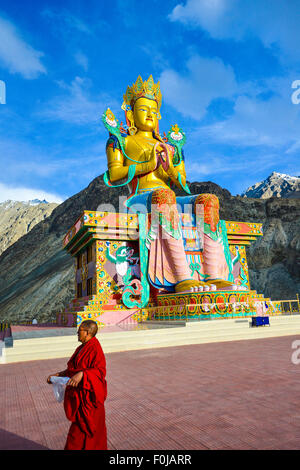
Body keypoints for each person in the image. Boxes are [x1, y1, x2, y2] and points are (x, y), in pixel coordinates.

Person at [103, 75, 234, 295]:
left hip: (168, 197)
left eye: (154, 111)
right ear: (131, 113)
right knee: (164, 197)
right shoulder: (120, 140)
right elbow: (115, 175)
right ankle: (182, 277)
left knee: (208, 200)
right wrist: (148, 164)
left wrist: (169, 165)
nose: (150, 115)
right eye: (144, 109)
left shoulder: (169, 146)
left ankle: (214, 275)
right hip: (141, 197)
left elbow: (181, 181)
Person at [47, 320, 107, 450]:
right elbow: (73, 370)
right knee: (77, 436)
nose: (77, 332)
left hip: (89, 402)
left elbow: (100, 372)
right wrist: (57, 376)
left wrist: (83, 375)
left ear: (88, 332)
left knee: (82, 436)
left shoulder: (95, 347)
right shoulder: (82, 348)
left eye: (79, 330)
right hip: (79, 400)